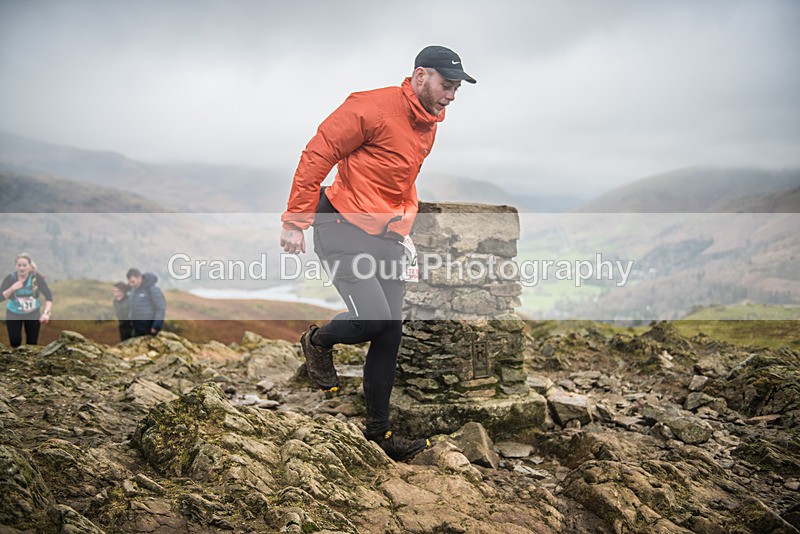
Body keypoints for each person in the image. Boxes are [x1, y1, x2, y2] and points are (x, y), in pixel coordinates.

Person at [280, 45, 476, 461]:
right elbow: (318, 153)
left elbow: (400, 179)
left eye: (457, 88)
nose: (452, 96)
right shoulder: (370, 106)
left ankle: (379, 435)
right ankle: (317, 341)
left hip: (386, 236)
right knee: (373, 321)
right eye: (447, 85)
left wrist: (403, 227)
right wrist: (296, 220)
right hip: (341, 227)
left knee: (391, 334)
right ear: (421, 75)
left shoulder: (430, 122)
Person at [0, 253, 53, 348]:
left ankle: (30, 362)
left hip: (32, 313)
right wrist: (12, 288)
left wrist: (46, 313)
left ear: (29, 266)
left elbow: (48, 296)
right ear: (16, 266)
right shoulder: (10, 278)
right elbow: (1, 297)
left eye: (24, 265)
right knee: (15, 342)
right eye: (19, 265)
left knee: (32, 344)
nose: (22, 268)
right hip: (13, 313)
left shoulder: (36, 278)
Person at [126, 268, 166, 337]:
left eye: (133, 282)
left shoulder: (152, 289)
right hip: (136, 329)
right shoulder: (133, 290)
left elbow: (160, 308)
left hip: (150, 329)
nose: (131, 285)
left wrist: (156, 326)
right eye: (130, 282)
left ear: (139, 277)